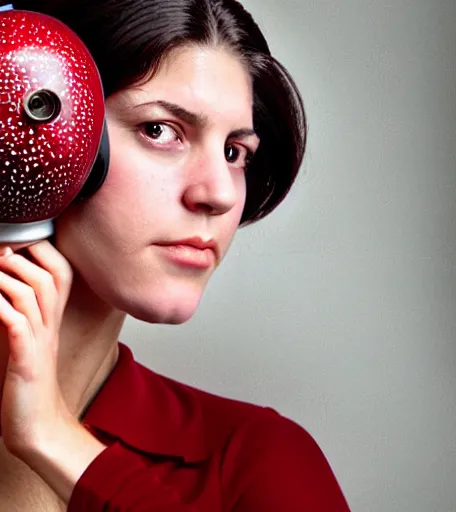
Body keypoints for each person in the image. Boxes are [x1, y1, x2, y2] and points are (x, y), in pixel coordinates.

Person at [0, 0, 351, 510]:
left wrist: (55, 441)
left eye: (234, 153)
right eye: (160, 130)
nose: (220, 194)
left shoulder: (258, 461)